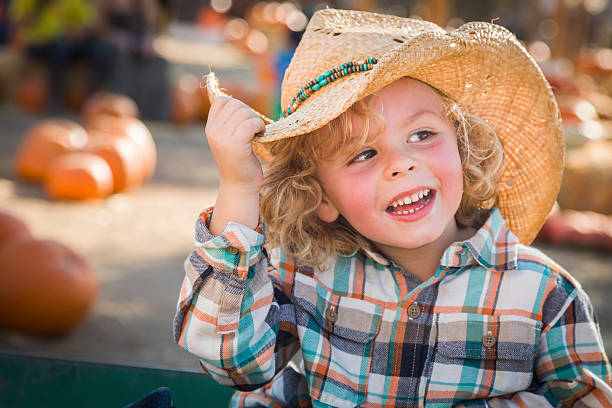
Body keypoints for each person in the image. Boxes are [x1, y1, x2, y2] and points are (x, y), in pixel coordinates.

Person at [173, 9, 612, 407]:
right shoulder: (307, 275)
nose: (402, 164)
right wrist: (238, 186)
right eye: (362, 155)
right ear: (321, 197)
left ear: (463, 148)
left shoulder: (544, 296)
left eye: (422, 135)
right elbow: (232, 361)